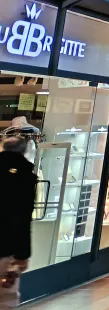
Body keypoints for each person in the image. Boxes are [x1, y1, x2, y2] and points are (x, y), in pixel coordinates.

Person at [0, 126, 37, 309]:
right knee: (6, 295)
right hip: (8, 247)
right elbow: (23, 218)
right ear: (24, 152)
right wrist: (23, 255)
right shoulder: (26, 178)